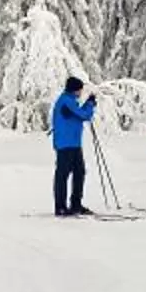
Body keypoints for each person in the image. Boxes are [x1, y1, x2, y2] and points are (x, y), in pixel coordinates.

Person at [49, 76, 98, 217]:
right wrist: (89, 105)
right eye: (80, 89)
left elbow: (77, 115)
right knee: (63, 175)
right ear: (74, 89)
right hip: (66, 144)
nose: (81, 92)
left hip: (73, 143)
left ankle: (75, 204)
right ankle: (61, 207)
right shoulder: (66, 101)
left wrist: (88, 104)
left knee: (79, 173)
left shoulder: (69, 101)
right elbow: (84, 116)